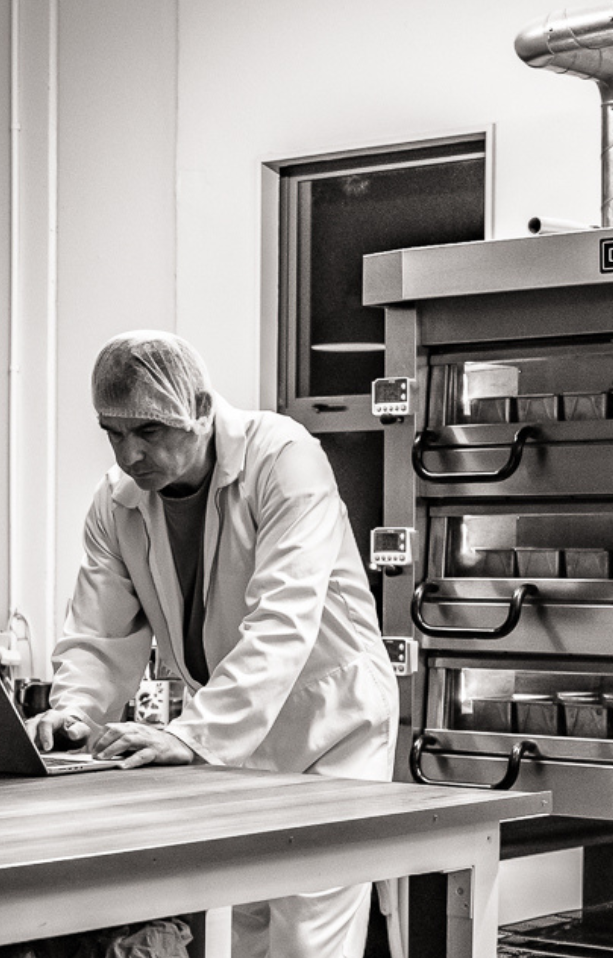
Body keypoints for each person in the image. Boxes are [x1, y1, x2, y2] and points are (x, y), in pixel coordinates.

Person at [28, 330, 399, 958]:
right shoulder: (116, 503)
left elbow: (283, 620)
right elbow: (98, 633)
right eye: (113, 433)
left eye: (148, 430)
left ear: (199, 409)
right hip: (231, 737)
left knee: (308, 940)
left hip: (329, 728)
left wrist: (192, 736)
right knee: (240, 931)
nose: (129, 454)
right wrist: (75, 712)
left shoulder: (282, 458)